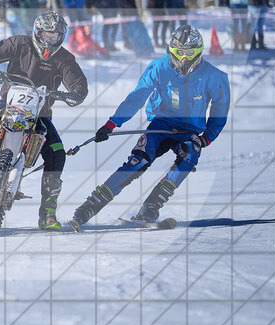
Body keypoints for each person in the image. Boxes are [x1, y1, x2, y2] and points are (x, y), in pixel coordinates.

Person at [70, 25, 230, 230]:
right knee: (137, 163)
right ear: (171, 50)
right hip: (160, 126)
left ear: (198, 53)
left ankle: (151, 208)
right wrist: (112, 124)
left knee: (190, 155)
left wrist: (206, 138)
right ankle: (88, 208)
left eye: (189, 53)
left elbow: (219, 112)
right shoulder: (159, 67)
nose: (183, 59)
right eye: (179, 52)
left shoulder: (215, 77)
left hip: (189, 132)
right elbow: (137, 97)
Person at [0, 11, 88, 230]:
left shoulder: (64, 58)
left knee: (56, 152)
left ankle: (47, 213)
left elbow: (79, 85)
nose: (49, 40)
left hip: (40, 114)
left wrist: (73, 94)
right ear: (37, 32)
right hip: (8, 105)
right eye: (45, 35)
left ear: (61, 37)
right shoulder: (19, 44)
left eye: (54, 36)